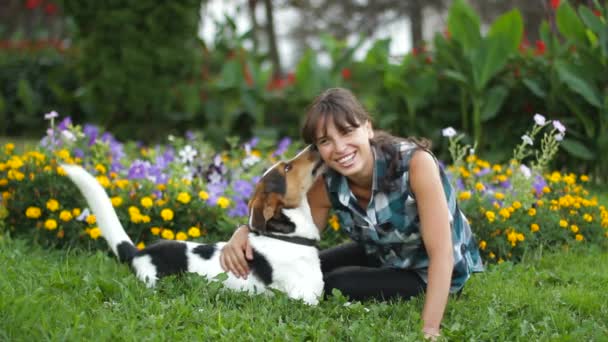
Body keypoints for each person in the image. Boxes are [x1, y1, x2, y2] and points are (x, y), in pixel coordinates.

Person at [220, 87, 484, 339]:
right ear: (318, 148)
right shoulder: (327, 183)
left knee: (336, 284)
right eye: (325, 141)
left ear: (367, 127)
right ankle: (248, 288)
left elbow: (442, 254)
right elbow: (294, 238)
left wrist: (430, 330)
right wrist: (244, 231)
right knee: (313, 267)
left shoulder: (415, 164)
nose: (339, 148)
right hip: (382, 253)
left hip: (426, 269)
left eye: (347, 132)